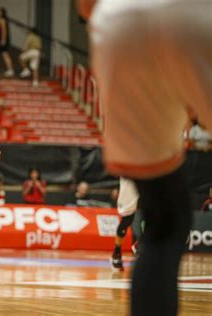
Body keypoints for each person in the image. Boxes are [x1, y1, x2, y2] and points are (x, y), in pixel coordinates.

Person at [77, 1, 211, 315]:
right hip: (187, 15)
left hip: (115, 24)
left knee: (166, 221)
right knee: (161, 220)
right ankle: (118, 251)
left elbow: (85, 8)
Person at [110, 177, 139, 272]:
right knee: (127, 220)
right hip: (129, 181)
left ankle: (139, 244)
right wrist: (115, 187)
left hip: (147, 177)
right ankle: (116, 252)